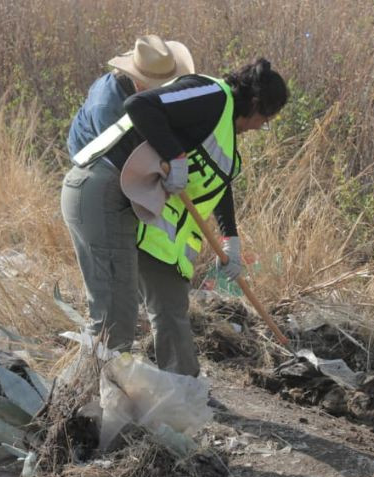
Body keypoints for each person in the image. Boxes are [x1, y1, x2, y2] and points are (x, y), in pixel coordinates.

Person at [61, 57, 289, 376]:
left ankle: (176, 399)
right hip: (101, 189)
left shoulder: (224, 130)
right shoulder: (210, 94)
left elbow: (218, 182)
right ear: (254, 103)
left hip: (133, 207)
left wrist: (230, 239)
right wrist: (175, 156)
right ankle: (79, 409)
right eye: (265, 119)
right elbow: (140, 104)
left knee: (165, 310)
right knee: (116, 319)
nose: (260, 127)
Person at [66, 34, 195, 160]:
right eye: (163, 87)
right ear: (140, 86)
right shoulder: (108, 108)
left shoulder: (150, 77)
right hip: (93, 152)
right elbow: (124, 160)